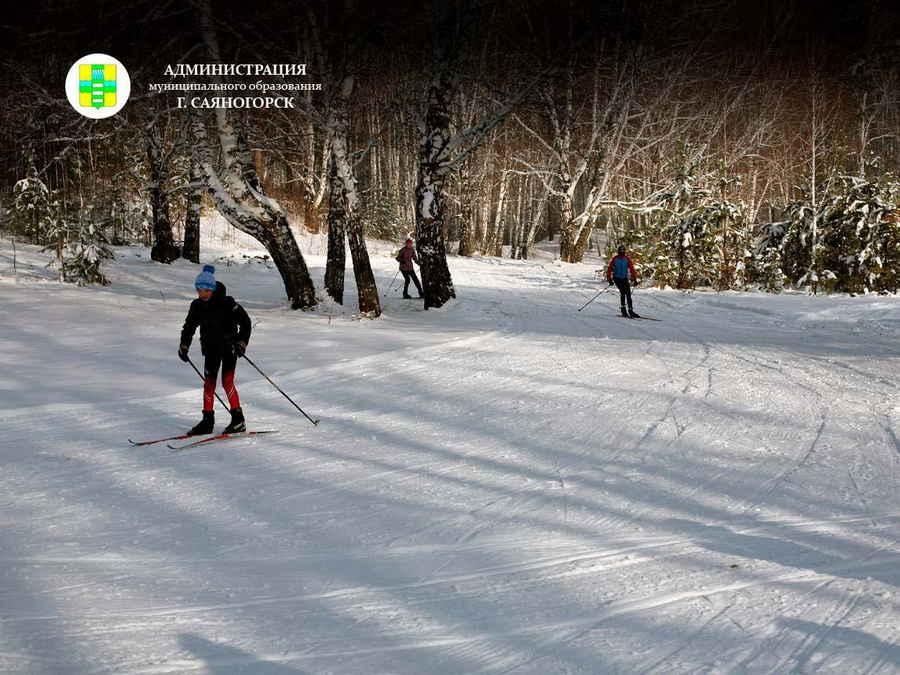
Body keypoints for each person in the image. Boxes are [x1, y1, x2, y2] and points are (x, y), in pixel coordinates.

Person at [178, 265, 252, 435]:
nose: (202, 294)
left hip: (229, 349)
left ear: (212, 289)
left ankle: (238, 420)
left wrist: (242, 343)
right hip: (211, 349)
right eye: (199, 290)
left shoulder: (227, 303)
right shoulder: (196, 306)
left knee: (227, 382)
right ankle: (207, 421)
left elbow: (246, 322)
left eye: (205, 290)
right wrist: (184, 345)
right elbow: (189, 327)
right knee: (209, 384)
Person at [605, 245, 640, 318]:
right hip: (617, 278)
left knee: (628, 294)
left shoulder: (627, 259)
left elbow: (632, 269)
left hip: (624, 278)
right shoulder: (615, 259)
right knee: (623, 292)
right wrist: (609, 279)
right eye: (620, 251)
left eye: (623, 251)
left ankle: (630, 311)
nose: (622, 252)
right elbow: (609, 269)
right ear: (618, 251)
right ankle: (623, 310)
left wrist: (634, 278)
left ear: (624, 251)